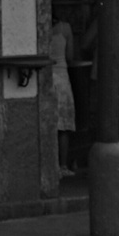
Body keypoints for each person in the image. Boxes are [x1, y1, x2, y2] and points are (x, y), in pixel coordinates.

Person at [49, 15, 77, 178]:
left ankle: (49, 163)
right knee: (63, 126)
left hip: (47, 77)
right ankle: (63, 165)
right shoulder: (65, 28)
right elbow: (70, 57)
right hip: (62, 76)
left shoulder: (39, 25)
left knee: (49, 123)